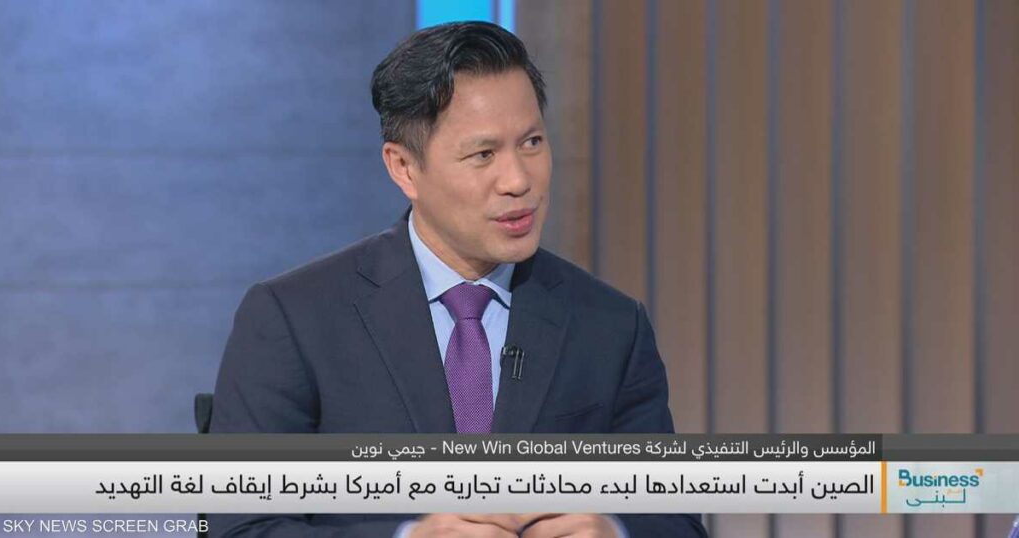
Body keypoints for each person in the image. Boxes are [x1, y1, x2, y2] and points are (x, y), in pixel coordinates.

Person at [208, 21, 707, 538]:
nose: (518, 180)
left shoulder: (611, 326)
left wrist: (615, 532)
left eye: (532, 142)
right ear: (404, 168)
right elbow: (237, 527)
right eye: (483, 154)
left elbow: (677, 524)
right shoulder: (294, 319)